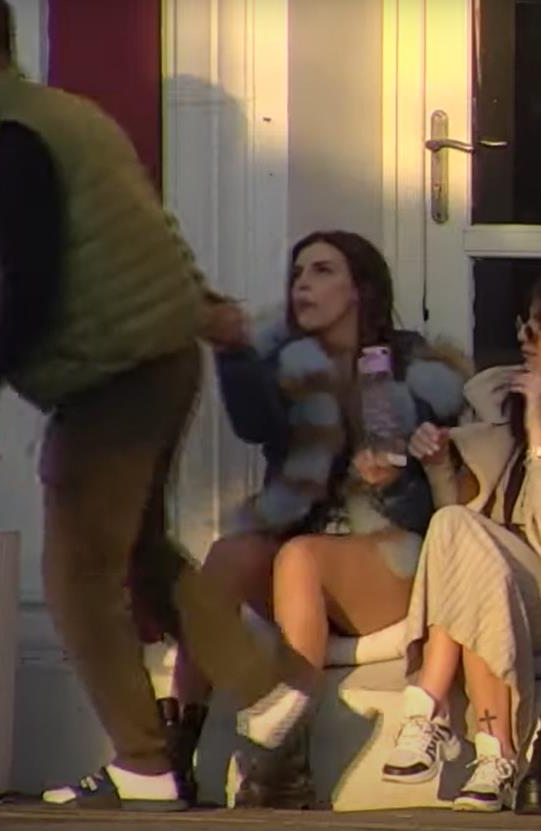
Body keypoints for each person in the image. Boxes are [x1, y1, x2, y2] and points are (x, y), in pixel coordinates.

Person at [0, 0, 321, 811]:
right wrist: (202, 306)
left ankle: (146, 760)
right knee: (139, 552)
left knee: (77, 578)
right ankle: (262, 689)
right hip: (164, 359)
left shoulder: (16, 137)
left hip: (110, 375)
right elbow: (148, 228)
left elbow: (29, 279)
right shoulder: (76, 118)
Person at [165, 230, 467, 807]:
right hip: (302, 563)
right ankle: (173, 746)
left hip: (392, 564)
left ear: (360, 290)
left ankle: (285, 761)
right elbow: (253, 423)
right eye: (298, 272)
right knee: (229, 555)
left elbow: (438, 492)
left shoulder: (411, 365)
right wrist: (232, 351)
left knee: (301, 557)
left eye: (323, 271)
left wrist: (390, 483)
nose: (303, 283)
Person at [381, 280, 541, 813]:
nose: (526, 337)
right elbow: (462, 526)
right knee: (455, 528)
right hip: (499, 584)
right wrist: (437, 466)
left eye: (539, 327)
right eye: (523, 324)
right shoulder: (500, 405)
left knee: (470, 553)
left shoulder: (530, 414)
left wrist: (538, 439)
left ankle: (428, 710)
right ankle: (494, 754)